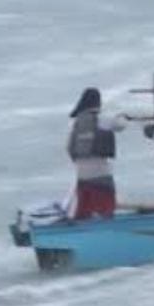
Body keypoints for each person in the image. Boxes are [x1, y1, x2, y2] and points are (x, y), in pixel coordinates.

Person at [66, 87, 127, 219]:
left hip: (81, 178)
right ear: (97, 102)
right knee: (105, 211)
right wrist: (123, 117)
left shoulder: (76, 123)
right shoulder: (101, 119)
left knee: (84, 215)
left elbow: (69, 148)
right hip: (101, 177)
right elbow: (120, 125)